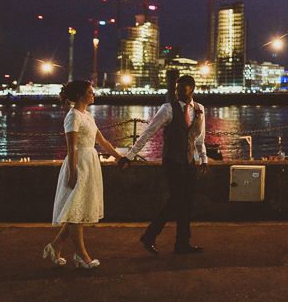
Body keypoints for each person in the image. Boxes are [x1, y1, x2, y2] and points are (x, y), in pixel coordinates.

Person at [43, 79, 124, 269]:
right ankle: (82, 256)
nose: (93, 94)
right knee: (75, 211)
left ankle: (55, 247)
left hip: (90, 163)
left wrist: (119, 157)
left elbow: (102, 141)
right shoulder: (73, 117)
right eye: (90, 91)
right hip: (79, 164)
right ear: (81, 95)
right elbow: (71, 148)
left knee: (77, 210)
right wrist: (72, 173)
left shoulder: (87, 115)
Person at [125, 74, 208, 255]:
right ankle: (149, 236)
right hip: (173, 161)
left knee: (187, 203)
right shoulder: (167, 109)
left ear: (191, 89)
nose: (177, 92)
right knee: (176, 200)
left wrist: (203, 159)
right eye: (176, 89)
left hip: (189, 162)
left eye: (181, 89)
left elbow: (199, 138)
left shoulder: (200, 109)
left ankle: (182, 244)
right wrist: (131, 155)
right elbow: (148, 132)